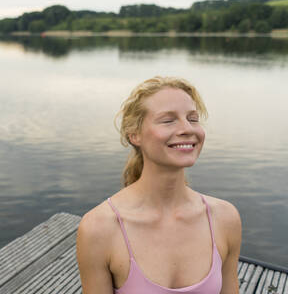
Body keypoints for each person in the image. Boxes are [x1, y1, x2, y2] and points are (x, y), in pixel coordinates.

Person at [76, 76, 242, 293]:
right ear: (134, 135)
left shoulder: (225, 218)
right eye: (168, 120)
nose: (187, 129)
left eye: (193, 119)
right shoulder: (100, 228)